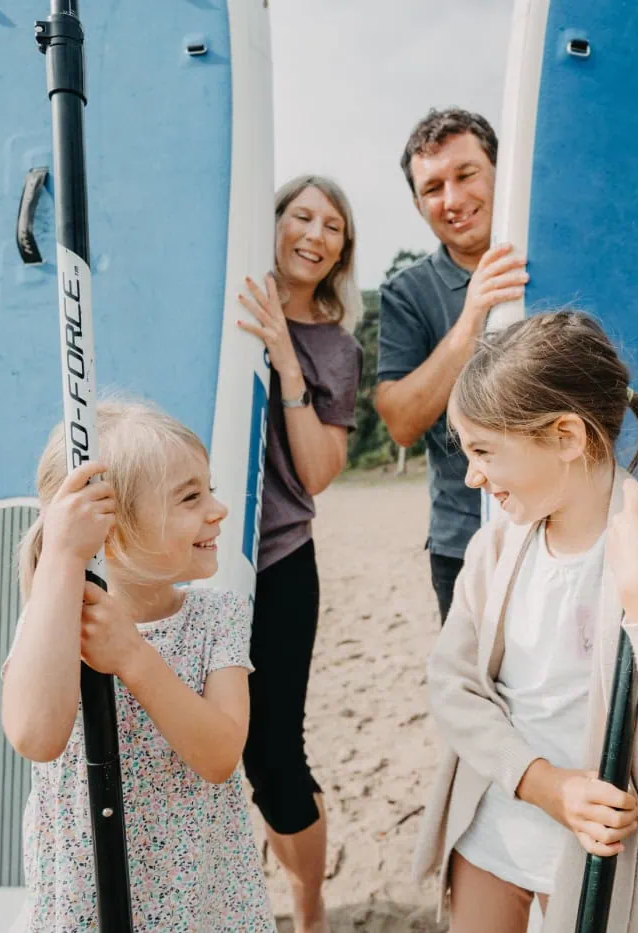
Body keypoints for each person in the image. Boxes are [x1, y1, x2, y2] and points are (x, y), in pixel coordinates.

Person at [411, 311, 638, 933]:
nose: (472, 475)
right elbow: (452, 687)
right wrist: (542, 784)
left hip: (599, 866)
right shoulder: (494, 547)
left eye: (485, 450)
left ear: (566, 436)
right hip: (490, 838)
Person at [1, 399, 274, 931]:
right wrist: (62, 556)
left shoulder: (218, 616)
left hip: (197, 892)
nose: (218, 509)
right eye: (191, 498)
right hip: (90, 896)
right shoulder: (54, 625)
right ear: (112, 529)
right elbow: (36, 736)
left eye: (209, 488)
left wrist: (132, 656)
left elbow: (220, 756)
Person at [234, 175, 363, 933]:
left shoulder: (336, 348)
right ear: (273, 221)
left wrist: (288, 361)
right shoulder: (226, 307)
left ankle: (309, 907)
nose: (316, 235)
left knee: (276, 760)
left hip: (282, 564)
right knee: (216, 753)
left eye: (334, 227)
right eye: (303, 216)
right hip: (198, 565)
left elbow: (316, 473)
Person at [375, 108, 529, 623]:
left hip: (572, 527)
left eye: (466, 175)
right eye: (433, 188)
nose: (454, 200)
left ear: (499, 172)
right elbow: (400, 422)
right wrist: (473, 314)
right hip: (465, 540)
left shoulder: (557, 255)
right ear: (418, 205)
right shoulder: (405, 292)